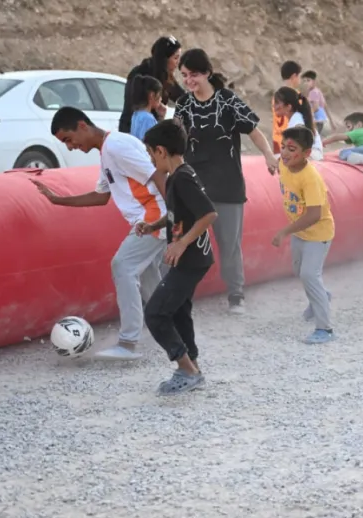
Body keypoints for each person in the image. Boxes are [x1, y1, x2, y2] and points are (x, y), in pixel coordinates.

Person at [32, 106, 169, 360]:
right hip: (148, 219)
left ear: (82, 126)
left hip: (154, 217)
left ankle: (128, 343)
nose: (70, 147)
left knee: (123, 265)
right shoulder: (107, 152)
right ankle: (169, 325)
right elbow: (101, 196)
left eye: (68, 139)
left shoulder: (117, 146)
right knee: (148, 273)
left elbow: (158, 173)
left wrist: (172, 216)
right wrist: (57, 200)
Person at [174, 48, 277, 315]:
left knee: (229, 244)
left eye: (193, 74)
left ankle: (236, 293)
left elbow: (254, 131)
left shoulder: (228, 101)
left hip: (227, 184)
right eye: (184, 75)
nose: (189, 81)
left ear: (207, 72)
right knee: (188, 240)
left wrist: (268, 156)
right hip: (194, 185)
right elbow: (175, 140)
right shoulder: (183, 105)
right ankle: (182, 294)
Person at [134, 120, 217, 394]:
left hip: (190, 259)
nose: (149, 159)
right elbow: (179, 215)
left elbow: (208, 214)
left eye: (149, 153)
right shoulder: (177, 176)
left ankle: (186, 371)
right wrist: (155, 226)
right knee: (179, 311)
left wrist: (180, 244)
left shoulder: (181, 178)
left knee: (155, 313)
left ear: (160, 151)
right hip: (191, 259)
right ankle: (192, 363)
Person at [272, 126, 336, 345]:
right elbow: (275, 163)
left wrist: (284, 231)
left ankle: (325, 329)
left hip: (318, 233)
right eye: (283, 147)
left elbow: (314, 215)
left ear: (307, 153)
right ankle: (322, 296)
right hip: (300, 232)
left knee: (310, 274)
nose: (285, 153)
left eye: (292, 148)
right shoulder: (283, 163)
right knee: (301, 272)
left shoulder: (311, 178)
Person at [119, 35, 184, 133]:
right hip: (135, 129)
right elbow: (133, 104)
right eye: (175, 58)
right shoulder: (141, 75)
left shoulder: (165, 76)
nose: (178, 63)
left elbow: (182, 97)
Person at [273, 87, 324, 160]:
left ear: (288, 107)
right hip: (313, 154)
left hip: (312, 156)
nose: (274, 106)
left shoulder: (297, 120)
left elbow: (300, 144)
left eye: (277, 103)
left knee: (275, 159)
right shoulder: (296, 117)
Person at [273, 61, 303, 154]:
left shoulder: (277, 95)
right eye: (299, 76)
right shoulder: (296, 96)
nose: (299, 80)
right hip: (290, 141)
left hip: (277, 138)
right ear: (294, 76)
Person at [128, 75, 165, 142]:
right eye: (160, 95)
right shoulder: (148, 119)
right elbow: (150, 143)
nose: (161, 99)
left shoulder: (136, 114)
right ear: (152, 95)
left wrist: (161, 117)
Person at [300, 70, 334, 134]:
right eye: (305, 81)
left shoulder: (313, 92)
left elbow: (316, 107)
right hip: (323, 122)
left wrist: (306, 115)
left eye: (308, 80)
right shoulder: (317, 91)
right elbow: (325, 106)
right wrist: (331, 122)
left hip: (318, 122)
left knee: (311, 139)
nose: (306, 83)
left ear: (314, 81)